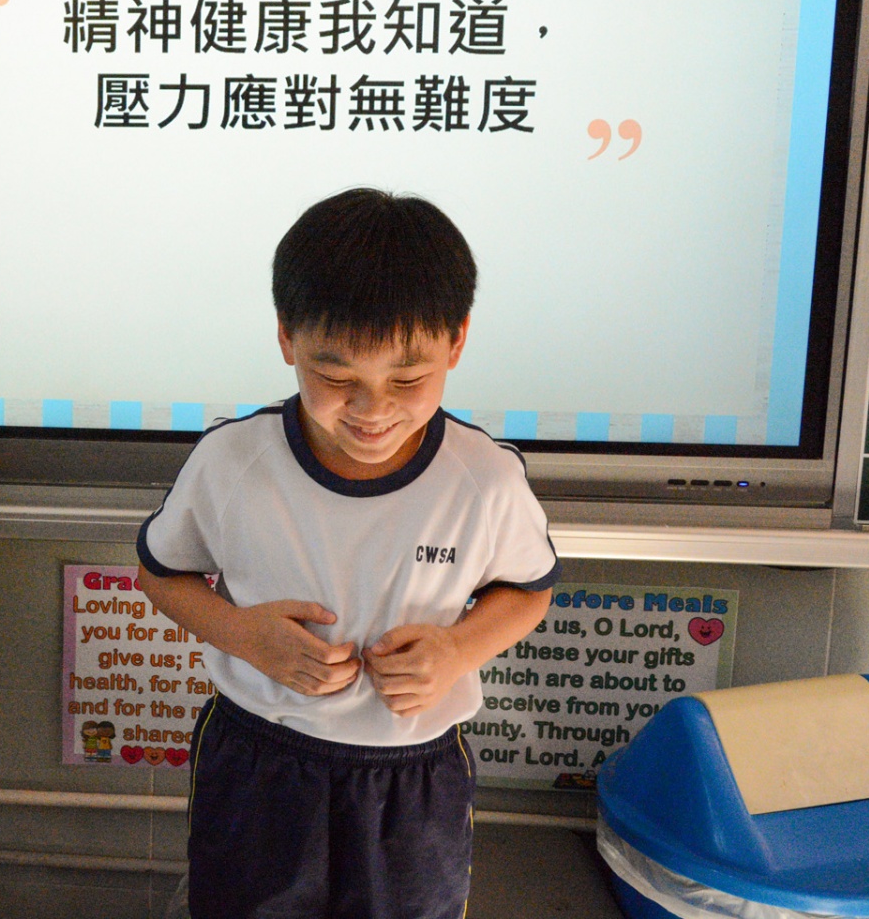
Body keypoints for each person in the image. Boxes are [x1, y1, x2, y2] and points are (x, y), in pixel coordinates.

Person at [137, 188, 558, 919]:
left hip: (414, 774)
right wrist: (243, 635)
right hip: (261, 757)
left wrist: (458, 651)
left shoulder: (485, 477)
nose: (372, 410)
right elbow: (162, 573)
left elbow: (527, 590)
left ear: (457, 342)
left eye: (407, 380)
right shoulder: (232, 461)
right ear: (286, 339)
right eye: (336, 379)